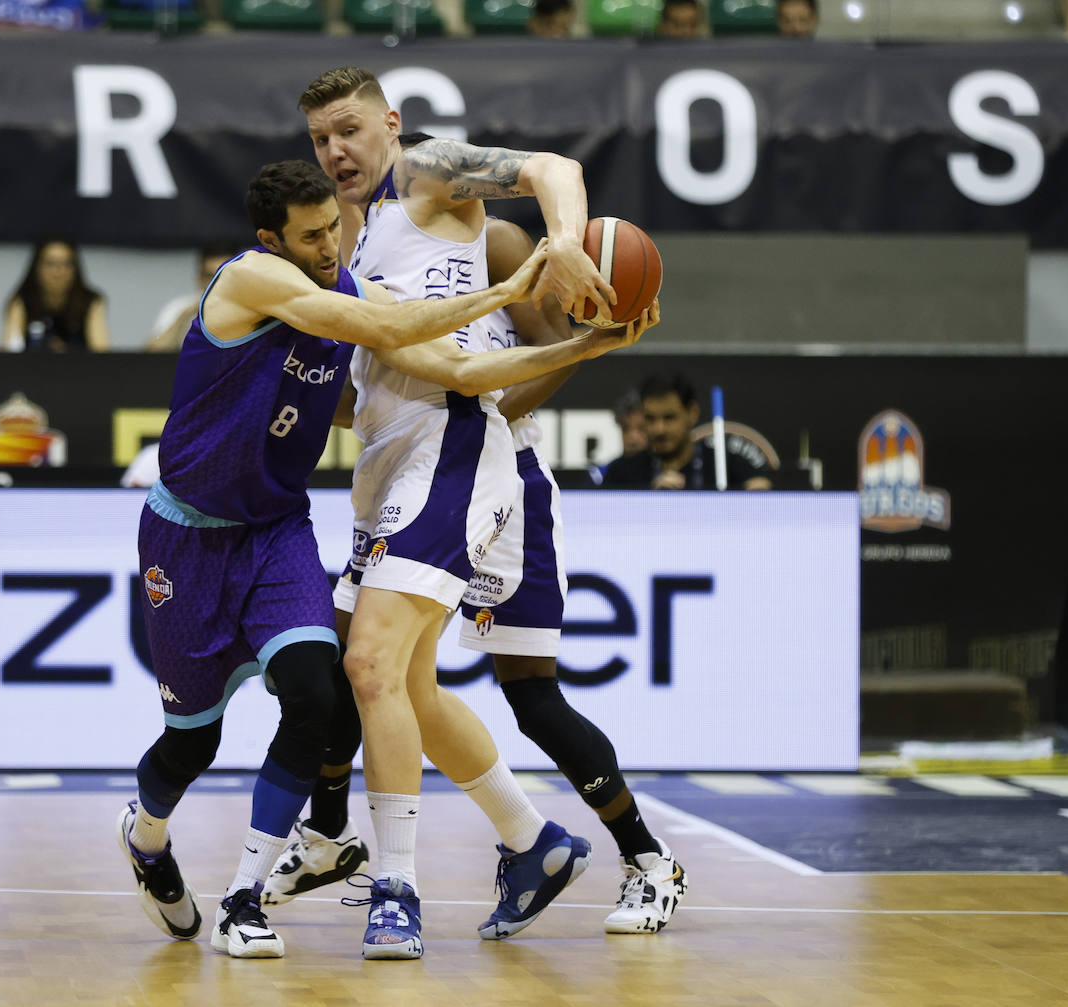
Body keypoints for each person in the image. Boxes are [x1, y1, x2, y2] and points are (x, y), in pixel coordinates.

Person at [118, 159, 635, 960]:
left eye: (334, 227)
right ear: (271, 239)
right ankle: (147, 836)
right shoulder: (255, 278)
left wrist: (587, 347)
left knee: (331, 690)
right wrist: (510, 288)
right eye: (311, 235)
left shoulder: (353, 290)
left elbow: (463, 372)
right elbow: (393, 332)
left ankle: (253, 895)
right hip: (187, 532)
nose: (331, 245)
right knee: (195, 741)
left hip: (278, 530)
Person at [296, 65, 645, 959]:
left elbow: (553, 168)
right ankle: (534, 841)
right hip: (382, 454)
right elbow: (361, 383)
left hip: (454, 442)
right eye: (320, 137)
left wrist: (564, 242)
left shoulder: (427, 173)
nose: (336, 150)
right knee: (401, 684)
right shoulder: (340, 234)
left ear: (390, 124)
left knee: (369, 662)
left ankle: (396, 886)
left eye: (349, 129)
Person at [266, 217, 687, 936]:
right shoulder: (370, 252)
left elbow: (555, 349)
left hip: (502, 470)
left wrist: (484, 406)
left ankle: (649, 859)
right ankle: (342, 832)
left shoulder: (496, 243)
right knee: (359, 662)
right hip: (416, 470)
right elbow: (362, 397)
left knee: (530, 695)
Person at [597, 372, 773, 490]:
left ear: (692, 413)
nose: (659, 429)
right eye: (650, 419)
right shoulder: (621, 472)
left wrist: (757, 501)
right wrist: (650, 501)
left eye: (669, 418)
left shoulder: (728, 465)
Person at [1, 239, 109, 352]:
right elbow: (9, 350)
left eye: (66, 264)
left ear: (75, 269)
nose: (58, 272)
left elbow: (101, 353)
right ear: (37, 268)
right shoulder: (22, 300)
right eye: (50, 264)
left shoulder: (90, 301)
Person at [145, 246, 238, 352]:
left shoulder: (254, 309)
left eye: (223, 275)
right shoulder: (179, 307)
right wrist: (185, 316)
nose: (216, 283)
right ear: (199, 278)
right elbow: (152, 354)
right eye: (210, 276)